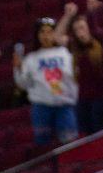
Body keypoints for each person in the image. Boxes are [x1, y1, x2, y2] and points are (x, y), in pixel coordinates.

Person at [12, 17, 78, 146]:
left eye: (49, 32)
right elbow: (23, 84)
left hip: (64, 105)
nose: (46, 36)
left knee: (70, 144)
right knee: (43, 145)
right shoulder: (31, 59)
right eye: (42, 32)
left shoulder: (66, 53)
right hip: (41, 107)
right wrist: (18, 68)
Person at [54, 0, 103, 134]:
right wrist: (67, 16)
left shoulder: (101, 41)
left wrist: (92, 13)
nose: (79, 32)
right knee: (84, 133)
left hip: (101, 96)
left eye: (82, 28)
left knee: (100, 131)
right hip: (82, 98)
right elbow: (57, 37)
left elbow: (98, 30)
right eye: (76, 29)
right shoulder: (74, 46)